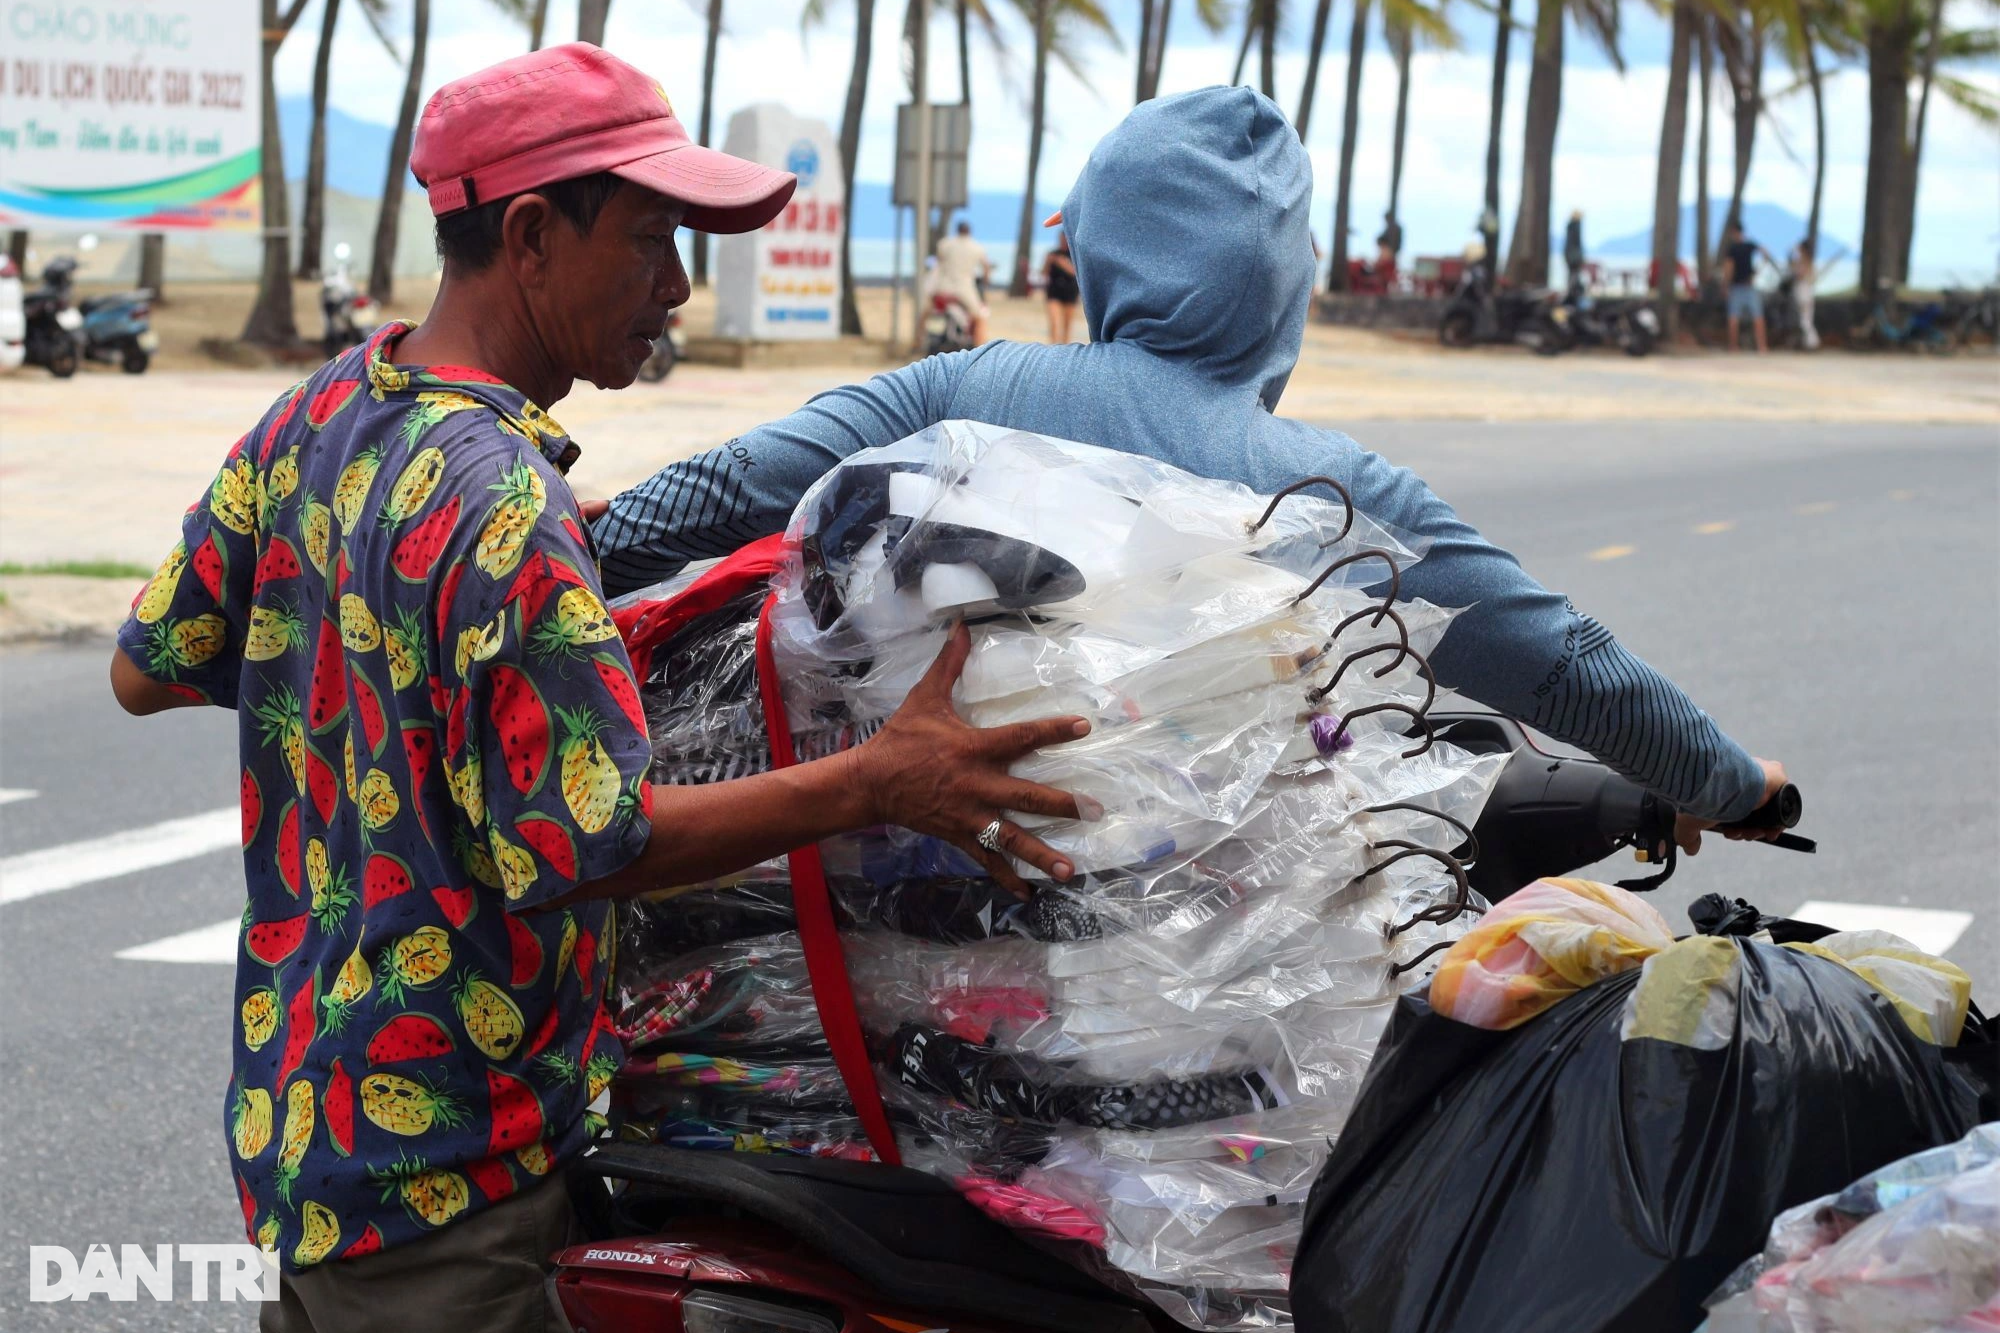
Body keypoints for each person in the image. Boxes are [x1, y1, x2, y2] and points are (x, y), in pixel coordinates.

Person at [109, 44, 1085, 1333]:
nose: (676, 285)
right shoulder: (500, 506)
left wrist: (395, 647)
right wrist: (878, 778)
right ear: (527, 234)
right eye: (646, 239)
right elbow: (596, 837)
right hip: (448, 1168)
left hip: (301, 1124)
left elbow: (145, 665)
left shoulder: (319, 417)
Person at [595, 86, 1791, 853]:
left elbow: (719, 493)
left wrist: (560, 547)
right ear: (1283, 282)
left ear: (1100, 248)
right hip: (1192, 954)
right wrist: (1730, 782)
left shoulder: (952, 387)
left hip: (907, 894)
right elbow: (1562, 663)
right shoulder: (1329, 489)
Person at [933, 220, 992, 345]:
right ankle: (980, 349)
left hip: (942, 288)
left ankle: (918, 341)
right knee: (980, 317)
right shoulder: (976, 246)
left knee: (925, 312)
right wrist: (986, 282)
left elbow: (939, 262)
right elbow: (986, 267)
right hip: (964, 289)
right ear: (969, 232)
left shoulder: (945, 244)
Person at [1723, 220, 1775, 353]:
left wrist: (1726, 285)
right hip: (1749, 285)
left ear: (1734, 232)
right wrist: (1757, 271)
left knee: (1734, 318)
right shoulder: (1750, 245)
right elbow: (1766, 254)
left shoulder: (1733, 249)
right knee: (1757, 318)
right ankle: (1762, 346)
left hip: (1737, 286)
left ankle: (1733, 347)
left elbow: (1729, 268)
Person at [1043, 231, 1081, 343]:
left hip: (1070, 292)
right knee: (1054, 322)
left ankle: (1064, 349)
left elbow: (1078, 273)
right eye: (1061, 238)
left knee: (1067, 325)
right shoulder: (1053, 254)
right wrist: (1048, 262)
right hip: (1054, 292)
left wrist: (1063, 264)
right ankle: (1053, 347)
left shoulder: (1074, 254)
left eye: (1065, 238)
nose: (1063, 241)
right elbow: (1044, 273)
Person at [1789, 238, 1824, 350]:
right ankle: (1809, 342)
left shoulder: (1805, 261)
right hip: (1803, 291)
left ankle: (1812, 343)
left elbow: (1800, 274)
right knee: (1804, 319)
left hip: (1804, 292)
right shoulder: (1805, 260)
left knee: (1805, 320)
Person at [1563, 209, 1587, 299]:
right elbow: (1577, 243)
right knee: (1574, 274)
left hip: (1569, 254)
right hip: (1574, 255)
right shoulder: (1575, 226)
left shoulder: (1570, 226)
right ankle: (1572, 291)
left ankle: (1571, 290)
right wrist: (1580, 256)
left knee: (1572, 274)